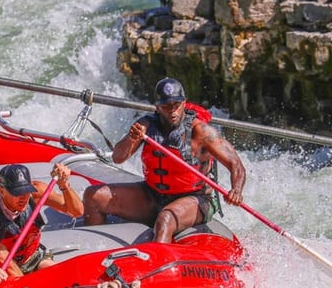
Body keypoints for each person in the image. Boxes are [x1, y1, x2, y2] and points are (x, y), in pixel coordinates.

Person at [82, 78, 246, 243]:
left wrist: (236, 190)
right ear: (157, 107)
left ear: (184, 103)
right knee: (93, 196)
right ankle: (92, 250)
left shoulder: (201, 132)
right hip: (153, 195)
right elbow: (118, 158)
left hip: (196, 199)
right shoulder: (145, 126)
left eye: (177, 105)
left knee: (165, 219)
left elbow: (236, 164)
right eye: (167, 106)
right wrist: (132, 139)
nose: (173, 111)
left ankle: (153, 262)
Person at [0, 164, 84, 285]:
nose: (23, 198)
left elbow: (76, 211)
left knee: (56, 272)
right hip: (2, 263)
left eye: (26, 191)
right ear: (2, 191)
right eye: (17, 193)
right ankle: (25, 287)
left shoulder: (37, 192)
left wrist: (64, 185)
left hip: (32, 256)